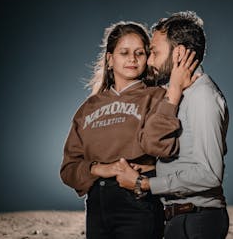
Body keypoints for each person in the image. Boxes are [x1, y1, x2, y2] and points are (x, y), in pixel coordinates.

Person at [60, 21, 199, 239]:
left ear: (147, 58)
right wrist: (102, 169)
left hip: (138, 201)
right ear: (109, 59)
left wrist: (173, 91)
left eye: (140, 53)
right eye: (124, 52)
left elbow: (163, 147)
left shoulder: (157, 96)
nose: (132, 59)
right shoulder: (88, 108)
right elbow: (68, 169)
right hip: (97, 206)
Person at [116, 11, 230, 239]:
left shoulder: (202, 96)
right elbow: (186, 159)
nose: (149, 61)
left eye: (155, 53)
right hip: (182, 219)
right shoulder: (182, 94)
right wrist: (150, 169)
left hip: (197, 220)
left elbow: (209, 174)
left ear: (178, 53)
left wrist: (144, 183)